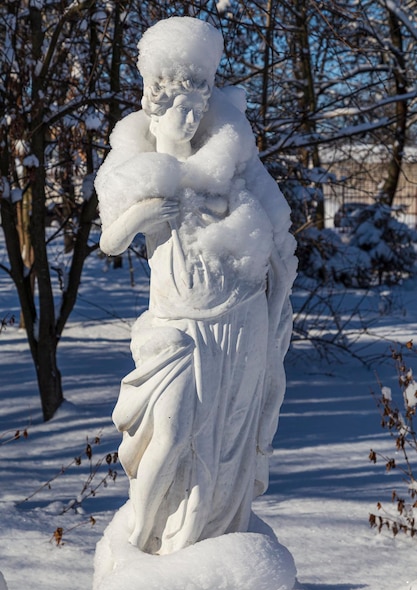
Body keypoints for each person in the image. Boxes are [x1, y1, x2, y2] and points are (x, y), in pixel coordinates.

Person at [95, 16, 297, 556]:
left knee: (231, 433)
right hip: (179, 328)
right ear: (155, 107)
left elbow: (276, 237)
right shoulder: (140, 165)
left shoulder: (229, 164)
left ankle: (218, 539)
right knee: (173, 434)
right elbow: (110, 242)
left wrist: (269, 278)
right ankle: (148, 535)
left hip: (241, 318)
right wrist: (142, 212)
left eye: (199, 106)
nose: (191, 117)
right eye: (180, 106)